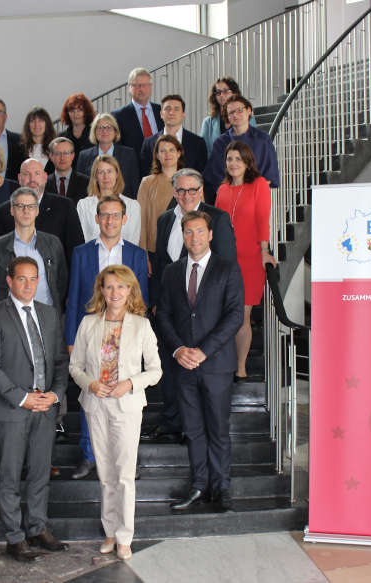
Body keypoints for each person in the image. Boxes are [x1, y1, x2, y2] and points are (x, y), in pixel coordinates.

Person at [0, 257, 70, 562]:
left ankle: (37, 528)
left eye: (33, 279)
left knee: (41, 471)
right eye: (22, 279)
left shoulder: (49, 313)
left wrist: (54, 394)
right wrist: (21, 397)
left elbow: (59, 361)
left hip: (45, 407)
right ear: (9, 280)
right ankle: (14, 537)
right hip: (12, 408)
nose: (28, 285)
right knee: (11, 474)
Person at [69, 265, 161, 560]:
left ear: (131, 290)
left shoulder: (142, 325)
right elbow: (74, 367)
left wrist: (130, 384)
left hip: (127, 405)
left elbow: (156, 370)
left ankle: (125, 537)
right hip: (96, 404)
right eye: (109, 287)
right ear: (102, 291)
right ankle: (110, 531)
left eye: (121, 287)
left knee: (124, 475)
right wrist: (91, 384)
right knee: (105, 473)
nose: (115, 293)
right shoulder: (88, 323)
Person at [156, 211, 243, 512]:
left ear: (210, 234)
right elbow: (164, 315)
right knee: (192, 428)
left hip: (216, 363)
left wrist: (204, 350)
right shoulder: (171, 272)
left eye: (199, 231)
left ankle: (222, 488)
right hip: (183, 365)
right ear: (183, 235)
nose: (194, 237)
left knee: (218, 428)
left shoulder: (227, 268)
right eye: (188, 232)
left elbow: (234, 316)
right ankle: (199, 485)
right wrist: (179, 349)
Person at [144, 169, 236, 443]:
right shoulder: (164, 220)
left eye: (192, 190)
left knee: (197, 370)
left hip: (206, 312)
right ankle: (173, 419)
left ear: (201, 191)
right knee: (172, 366)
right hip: (172, 311)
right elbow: (161, 266)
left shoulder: (216, 219)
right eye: (181, 190)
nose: (186, 195)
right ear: (174, 192)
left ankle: (192, 425)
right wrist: (159, 303)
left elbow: (227, 265)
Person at [65, 196, 149, 480]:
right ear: (97, 218)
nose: (110, 220)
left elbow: (142, 298)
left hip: (126, 335)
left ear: (125, 219)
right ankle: (89, 455)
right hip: (90, 334)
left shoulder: (137, 255)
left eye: (116, 215)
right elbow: (74, 297)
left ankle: (128, 456)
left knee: (125, 399)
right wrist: (71, 338)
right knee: (92, 394)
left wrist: (140, 338)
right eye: (105, 215)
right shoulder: (81, 253)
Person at [215, 141, 277, 380]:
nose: (233, 164)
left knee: (242, 315)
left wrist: (264, 250)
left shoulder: (259, 185)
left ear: (247, 162)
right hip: (223, 259)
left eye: (238, 159)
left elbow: (263, 219)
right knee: (223, 314)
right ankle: (223, 362)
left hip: (250, 259)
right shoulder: (222, 189)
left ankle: (240, 366)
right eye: (230, 159)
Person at [0, 187, 68, 309]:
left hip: (47, 318)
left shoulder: (53, 243)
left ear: (37, 211)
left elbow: (61, 282)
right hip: (10, 319)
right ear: (12, 210)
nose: (26, 211)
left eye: (31, 206)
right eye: (20, 206)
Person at [0, 158, 84, 267]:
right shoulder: (4, 211)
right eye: (26, 174)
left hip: (55, 280)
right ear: (19, 178)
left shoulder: (65, 206)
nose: (32, 179)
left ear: (45, 177)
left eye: (37, 174)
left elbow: (76, 249)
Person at [204, 96, 279, 198]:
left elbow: (269, 174)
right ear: (227, 116)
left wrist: (250, 192)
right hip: (229, 196)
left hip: (256, 195)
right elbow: (215, 175)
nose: (235, 115)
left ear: (249, 110)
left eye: (240, 110)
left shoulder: (263, 139)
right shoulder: (221, 142)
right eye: (231, 112)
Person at [77, 155, 141, 245]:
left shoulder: (133, 206)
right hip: (93, 257)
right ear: (95, 177)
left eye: (109, 171)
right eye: (101, 172)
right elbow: (82, 240)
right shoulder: (83, 205)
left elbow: (133, 241)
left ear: (117, 174)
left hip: (125, 257)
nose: (105, 176)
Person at [137, 134, 184, 255]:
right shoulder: (147, 182)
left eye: (171, 150)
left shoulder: (191, 181)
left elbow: (200, 216)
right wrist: (143, 252)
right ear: (157, 155)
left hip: (185, 248)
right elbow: (140, 220)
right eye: (163, 151)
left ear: (179, 153)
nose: (167, 154)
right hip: (155, 249)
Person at [139, 94, 207, 176]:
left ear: (183, 114)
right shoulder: (148, 143)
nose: (171, 112)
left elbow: (202, 175)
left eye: (176, 109)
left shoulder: (198, 143)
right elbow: (144, 173)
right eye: (167, 109)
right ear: (161, 114)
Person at [76, 113, 141, 198]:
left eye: (108, 127)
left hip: (123, 204)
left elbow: (134, 186)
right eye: (100, 128)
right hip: (92, 205)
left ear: (115, 131)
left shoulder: (129, 154)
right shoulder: (84, 156)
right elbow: (80, 187)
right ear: (94, 132)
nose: (104, 131)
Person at [111, 67, 164, 156]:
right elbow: (118, 149)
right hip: (135, 167)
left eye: (145, 85)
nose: (141, 89)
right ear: (129, 87)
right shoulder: (118, 116)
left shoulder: (161, 111)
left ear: (150, 87)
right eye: (137, 85)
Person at [199, 78, 257, 156]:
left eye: (226, 91)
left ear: (234, 93)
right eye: (218, 92)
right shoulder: (207, 123)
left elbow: (251, 146)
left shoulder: (247, 118)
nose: (222, 95)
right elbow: (203, 151)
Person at [45, 137, 89, 203]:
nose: (62, 158)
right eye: (58, 153)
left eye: (66, 153)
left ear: (73, 155)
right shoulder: (44, 183)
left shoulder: (87, 182)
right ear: (51, 156)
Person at [59, 93, 96, 163]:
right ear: (67, 113)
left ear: (86, 112)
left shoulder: (95, 134)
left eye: (80, 110)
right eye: (72, 111)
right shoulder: (61, 137)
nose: (76, 114)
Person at [21, 107, 56, 174]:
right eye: (33, 121)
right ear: (28, 125)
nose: (36, 124)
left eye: (41, 120)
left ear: (47, 124)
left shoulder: (55, 148)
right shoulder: (19, 149)